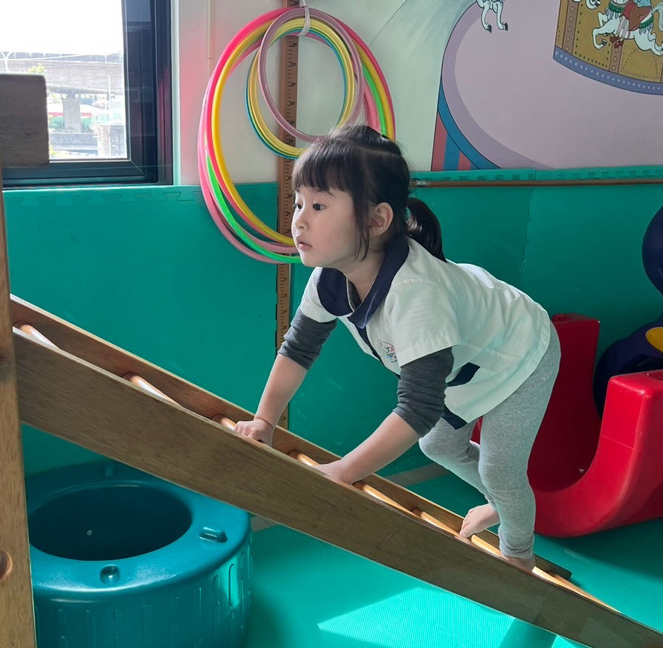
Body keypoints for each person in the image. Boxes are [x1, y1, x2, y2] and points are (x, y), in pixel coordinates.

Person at [234, 124, 560, 571]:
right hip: (467, 362)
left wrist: (345, 471)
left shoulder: (416, 294)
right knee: (438, 447)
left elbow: (418, 408)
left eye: (319, 205)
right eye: (299, 202)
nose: (299, 220)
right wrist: (264, 420)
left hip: (520, 352)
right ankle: (501, 502)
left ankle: (519, 554)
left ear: (376, 220)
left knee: (499, 469)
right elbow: (298, 350)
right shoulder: (329, 278)